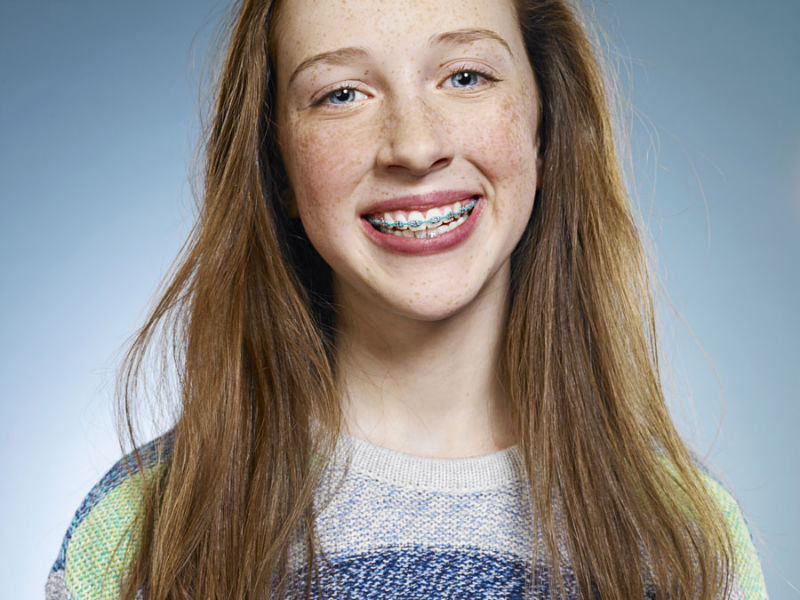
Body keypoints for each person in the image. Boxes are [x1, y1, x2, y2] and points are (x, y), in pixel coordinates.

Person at [45, 0, 769, 598]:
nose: (415, 147)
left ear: (547, 128)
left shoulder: (687, 538)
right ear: (279, 167)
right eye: (342, 94)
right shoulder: (141, 532)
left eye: (464, 76)